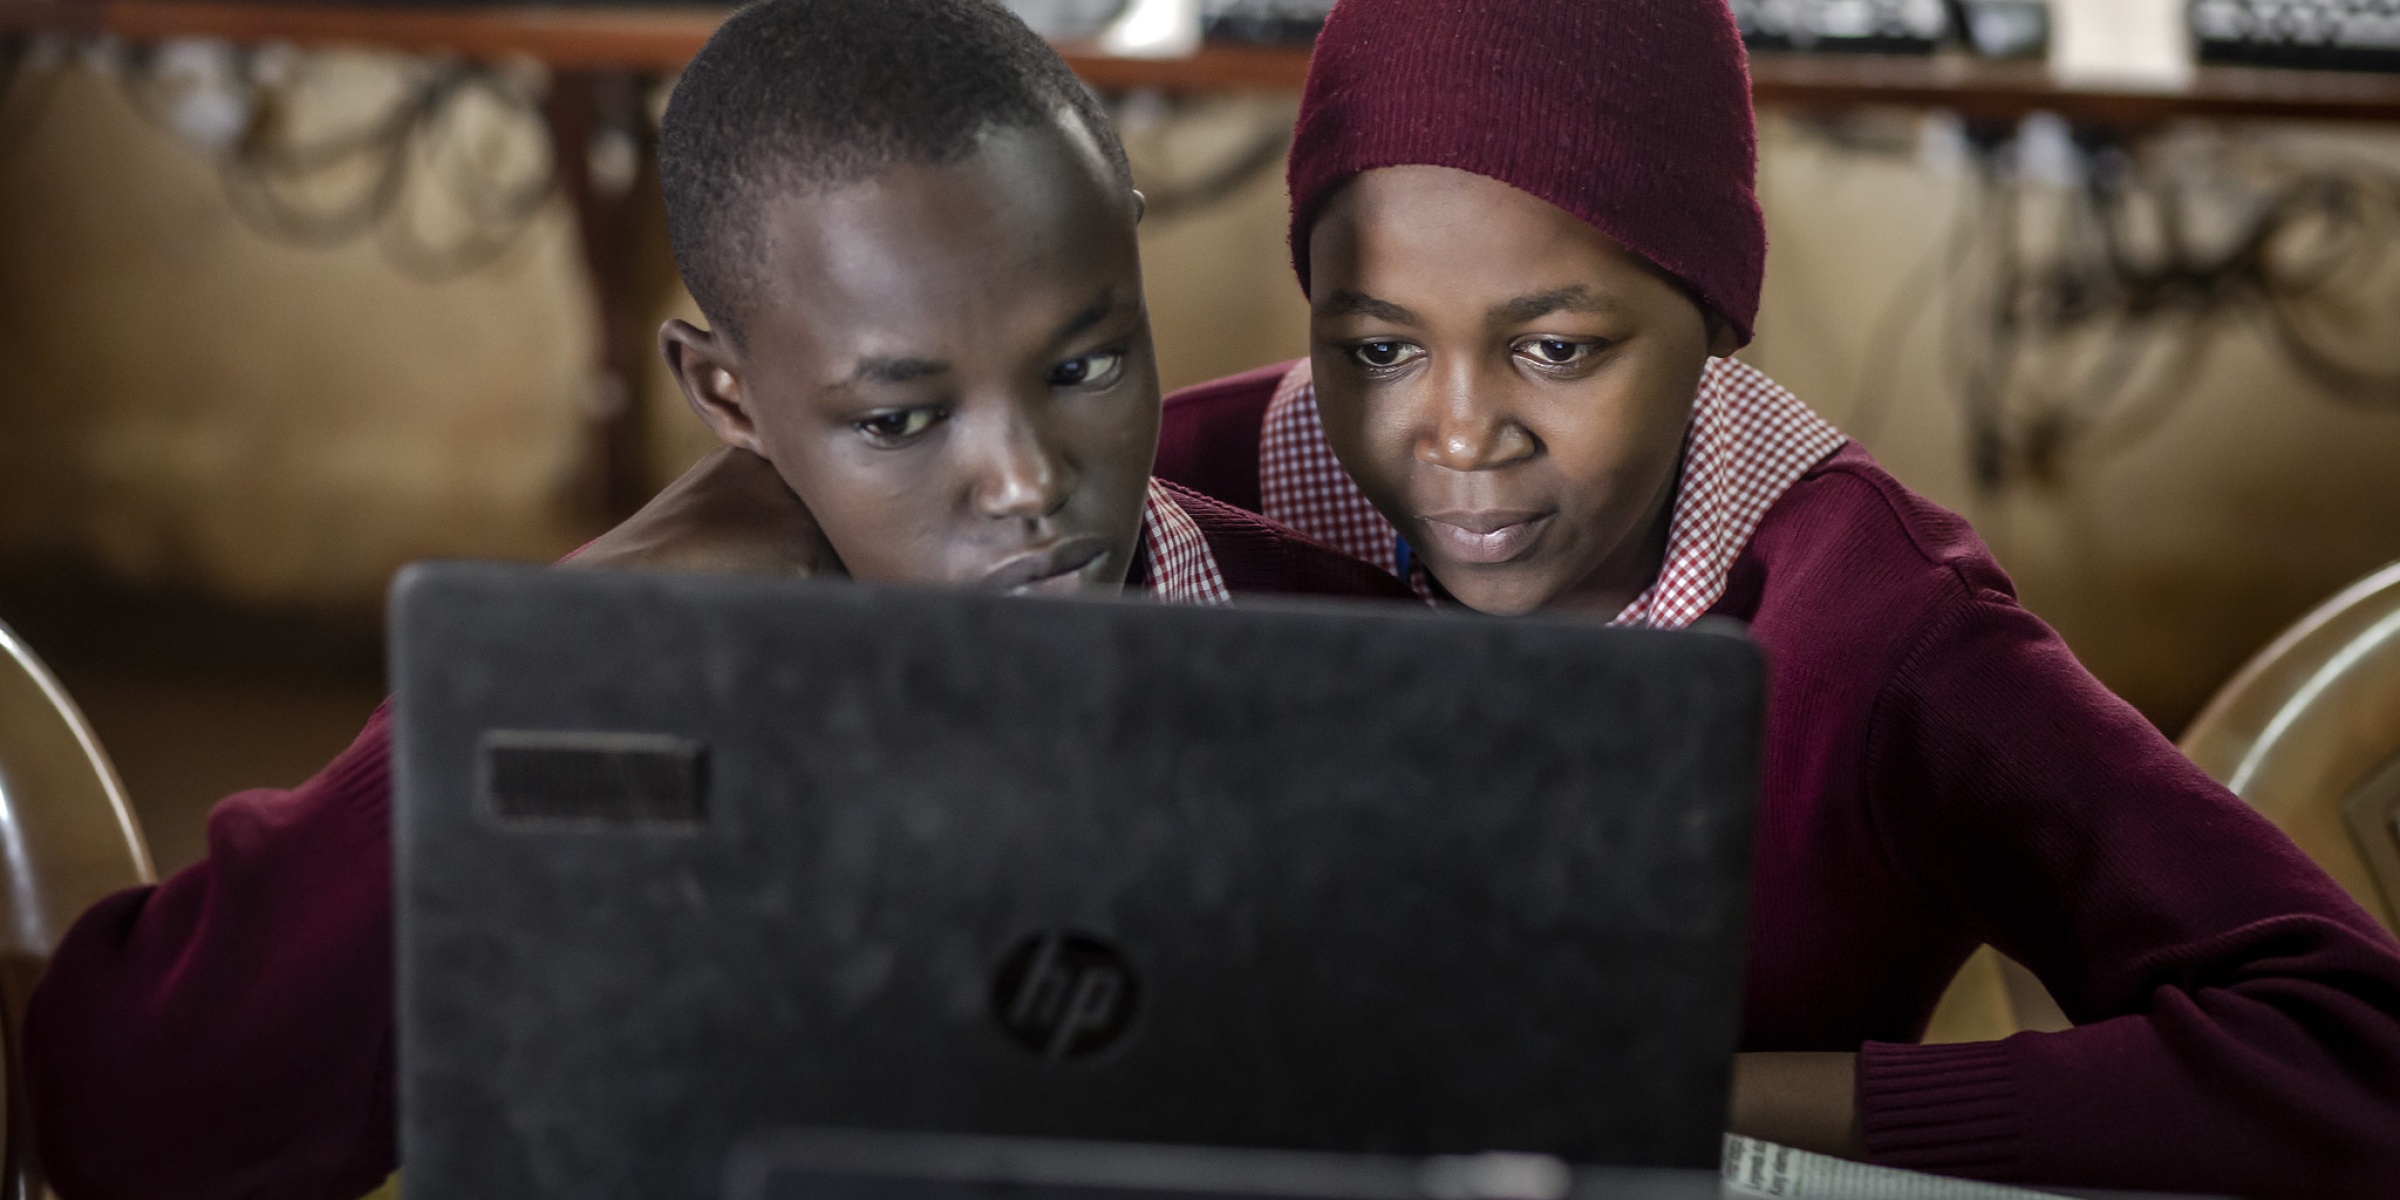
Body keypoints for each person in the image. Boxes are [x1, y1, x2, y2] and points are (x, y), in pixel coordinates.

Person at [23, 4, 1406, 1198]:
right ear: (729, 399)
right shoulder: (603, 724)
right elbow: (138, 1128)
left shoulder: (1368, 669)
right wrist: (536, 664)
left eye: (1088, 367)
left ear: (1129, 261)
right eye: (900, 420)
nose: (1028, 482)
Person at [1151, 1, 2400, 1196]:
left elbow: (2352, 1054)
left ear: (1714, 313)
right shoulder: (1160, 502)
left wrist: (1679, 1099)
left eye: (1559, 349)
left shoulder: (1880, 629)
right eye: (1378, 349)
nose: (1463, 435)